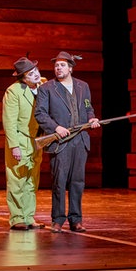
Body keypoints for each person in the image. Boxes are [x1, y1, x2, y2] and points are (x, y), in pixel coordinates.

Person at [34, 51, 100, 233]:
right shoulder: (46, 88)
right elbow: (40, 113)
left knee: (78, 182)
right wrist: (55, 128)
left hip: (80, 140)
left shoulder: (83, 86)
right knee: (59, 182)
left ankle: (76, 220)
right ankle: (57, 220)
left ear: (70, 68)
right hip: (60, 141)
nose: (58, 68)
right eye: (56, 65)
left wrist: (92, 118)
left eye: (62, 65)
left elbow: (88, 107)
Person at [2, 56, 47, 230]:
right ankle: (17, 218)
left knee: (32, 180)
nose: (35, 75)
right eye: (30, 74)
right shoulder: (13, 91)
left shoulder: (43, 85)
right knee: (17, 179)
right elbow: (9, 121)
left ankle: (29, 217)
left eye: (35, 70)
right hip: (20, 140)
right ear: (22, 78)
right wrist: (14, 146)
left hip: (37, 141)